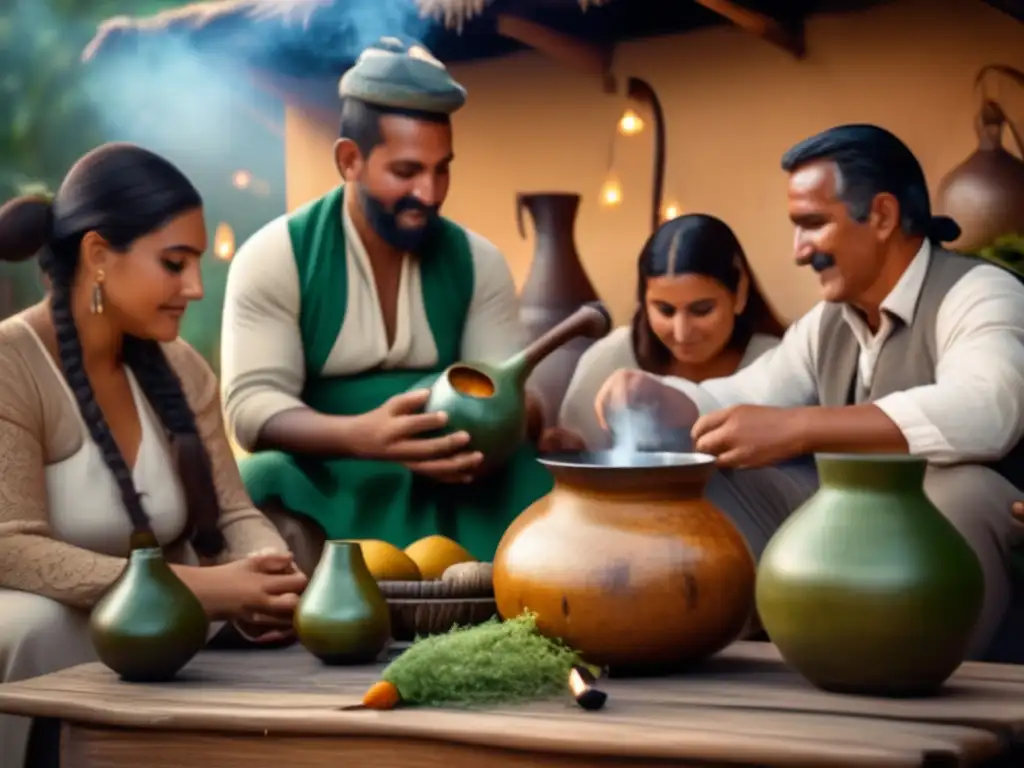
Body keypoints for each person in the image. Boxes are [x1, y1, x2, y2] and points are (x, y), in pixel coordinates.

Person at [595, 124, 1024, 660]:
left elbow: (987, 411)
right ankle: (721, 648)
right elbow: (747, 397)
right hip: (857, 534)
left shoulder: (979, 293)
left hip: (958, 560)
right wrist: (660, 398)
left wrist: (800, 428)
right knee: (717, 468)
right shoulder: (829, 323)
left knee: (960, 490)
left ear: (884, 216)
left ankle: (913, 678)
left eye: (813, 225)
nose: (799, 251)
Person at [0, 143, 308, 768]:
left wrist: (264, 570)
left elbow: (232, 512)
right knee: (33, 623)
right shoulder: (11, 364)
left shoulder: (181, 369)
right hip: (57, 621)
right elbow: (11, 545)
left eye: (195, 263)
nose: (195, 287)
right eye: (174, 263)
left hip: (170, 621)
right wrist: (198, 589)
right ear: (97, 256)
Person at [220, 38, 580, 571]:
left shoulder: (479, 261)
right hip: (330, 469)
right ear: (350, 160)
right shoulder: (276, 257)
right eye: (407, 172)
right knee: (260, 477)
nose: (430, 192)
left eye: (442, 170)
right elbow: (251, 408)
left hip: (457, 474)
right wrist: (361, 436)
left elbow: (509, 393)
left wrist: (515, 420)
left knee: (547, 477)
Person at [559, 213, 786, 449]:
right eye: (665, 310)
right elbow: (575, 452)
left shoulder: (776, 363)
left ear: (739, 293)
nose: (682, 333)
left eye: (702, 310)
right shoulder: (609, 359)